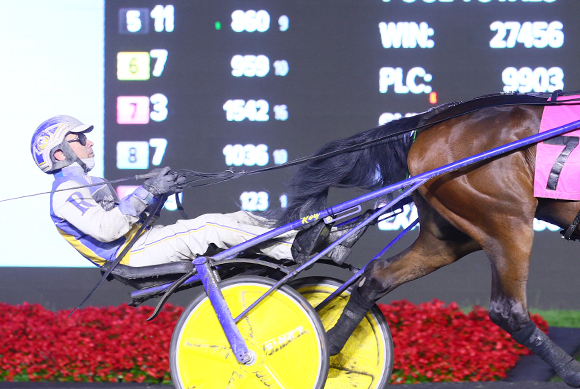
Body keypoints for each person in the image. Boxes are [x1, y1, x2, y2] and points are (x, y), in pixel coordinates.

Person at [31, 115, 354, 268]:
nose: (89, 143)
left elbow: (124, 218)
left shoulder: (87, 182)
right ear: (60, 154)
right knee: (208, 228)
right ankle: (301, 249)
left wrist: (158, 193)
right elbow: (107, 230)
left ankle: (321, 237)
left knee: (238, 216)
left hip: (141, 241)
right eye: (79, 139)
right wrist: (147, 191)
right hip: (130, 254)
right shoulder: (66, 191)